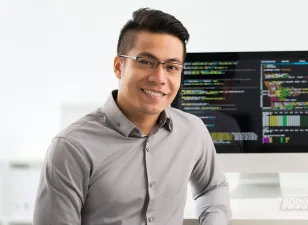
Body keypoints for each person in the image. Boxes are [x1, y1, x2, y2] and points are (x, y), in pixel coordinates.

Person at [33, 7, 232, 225]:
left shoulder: (192, 131)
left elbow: (213, 187)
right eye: (146, 62)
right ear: (119, 67)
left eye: (172, 67)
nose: (159, 77)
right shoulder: (71, 148)